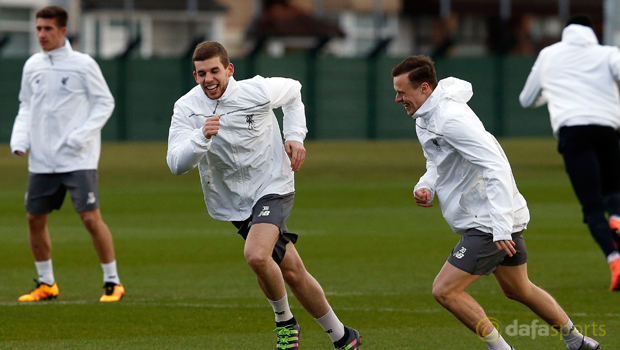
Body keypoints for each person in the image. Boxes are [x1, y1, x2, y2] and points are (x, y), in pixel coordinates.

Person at [392, 55, 601, 350]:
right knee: (519, 289)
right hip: (494, 217)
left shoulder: (451, 118)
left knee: (445, 291)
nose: (397, 98)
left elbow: (496, 166)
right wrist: (426, 185)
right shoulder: (424, 117)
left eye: (402, 92)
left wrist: (500, 227)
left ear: (424, 88)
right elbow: (437, 161)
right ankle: (578, 342)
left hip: (489, 220)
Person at [166, 41, 361, 350]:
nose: (209, 79)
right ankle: (343, 337)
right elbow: (176, 164)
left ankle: (285, 322)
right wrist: (200, 136)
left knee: (257, 255)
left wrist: (295, 136)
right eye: (202, 73)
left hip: (273, 184)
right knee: (293, 272)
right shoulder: (187, 108)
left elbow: (294, 92)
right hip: (233, 200)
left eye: (215, 71)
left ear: (229, 70)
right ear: (195, 75)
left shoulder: (256, 91)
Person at [10, 6, 124, 302]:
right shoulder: (32, 65)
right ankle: (47, 283)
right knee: (34, 218)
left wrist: (79, 137)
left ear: (62, 30)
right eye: (38, 29)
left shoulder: (83, 64)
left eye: (47, 29)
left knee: (90, 219)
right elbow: (25, 105)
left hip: (77, 158)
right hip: (42, 161)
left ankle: (113, 282)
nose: (41, 35)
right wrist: (20, 138)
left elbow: (104, 102)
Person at [520, 15, 620, 291]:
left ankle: (615, 260)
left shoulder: (549, 55)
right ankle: (617, 221)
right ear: (591, 33)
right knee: (614, 194)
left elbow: (526, 99)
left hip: (573, 132)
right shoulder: (608, 52)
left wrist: (551, 92)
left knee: (591, 205)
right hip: (608, 130)